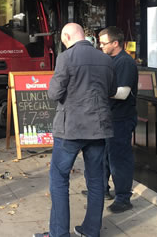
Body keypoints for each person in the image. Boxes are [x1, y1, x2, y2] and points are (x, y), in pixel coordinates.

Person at [35, 23, 115, 237]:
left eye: (63, 41)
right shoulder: (105, 59)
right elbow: (112, 90)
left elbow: (54, 93)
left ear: (67, 37)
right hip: (98, 128)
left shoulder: (66, 58)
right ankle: (91, 231)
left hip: (70, 128)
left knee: (59, 179)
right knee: (97, 180)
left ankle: (59, 233)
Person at [98, 26, 138, 214]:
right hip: (108, 116)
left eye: (104, 43)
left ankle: (123, 198)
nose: (100, 46)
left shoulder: (125, 63)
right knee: (105, 156)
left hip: (121, 118)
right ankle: (103, 190)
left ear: (115, 43)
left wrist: (98, 91)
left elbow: (123, 93)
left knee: (119, 159)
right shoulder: (108, 60)